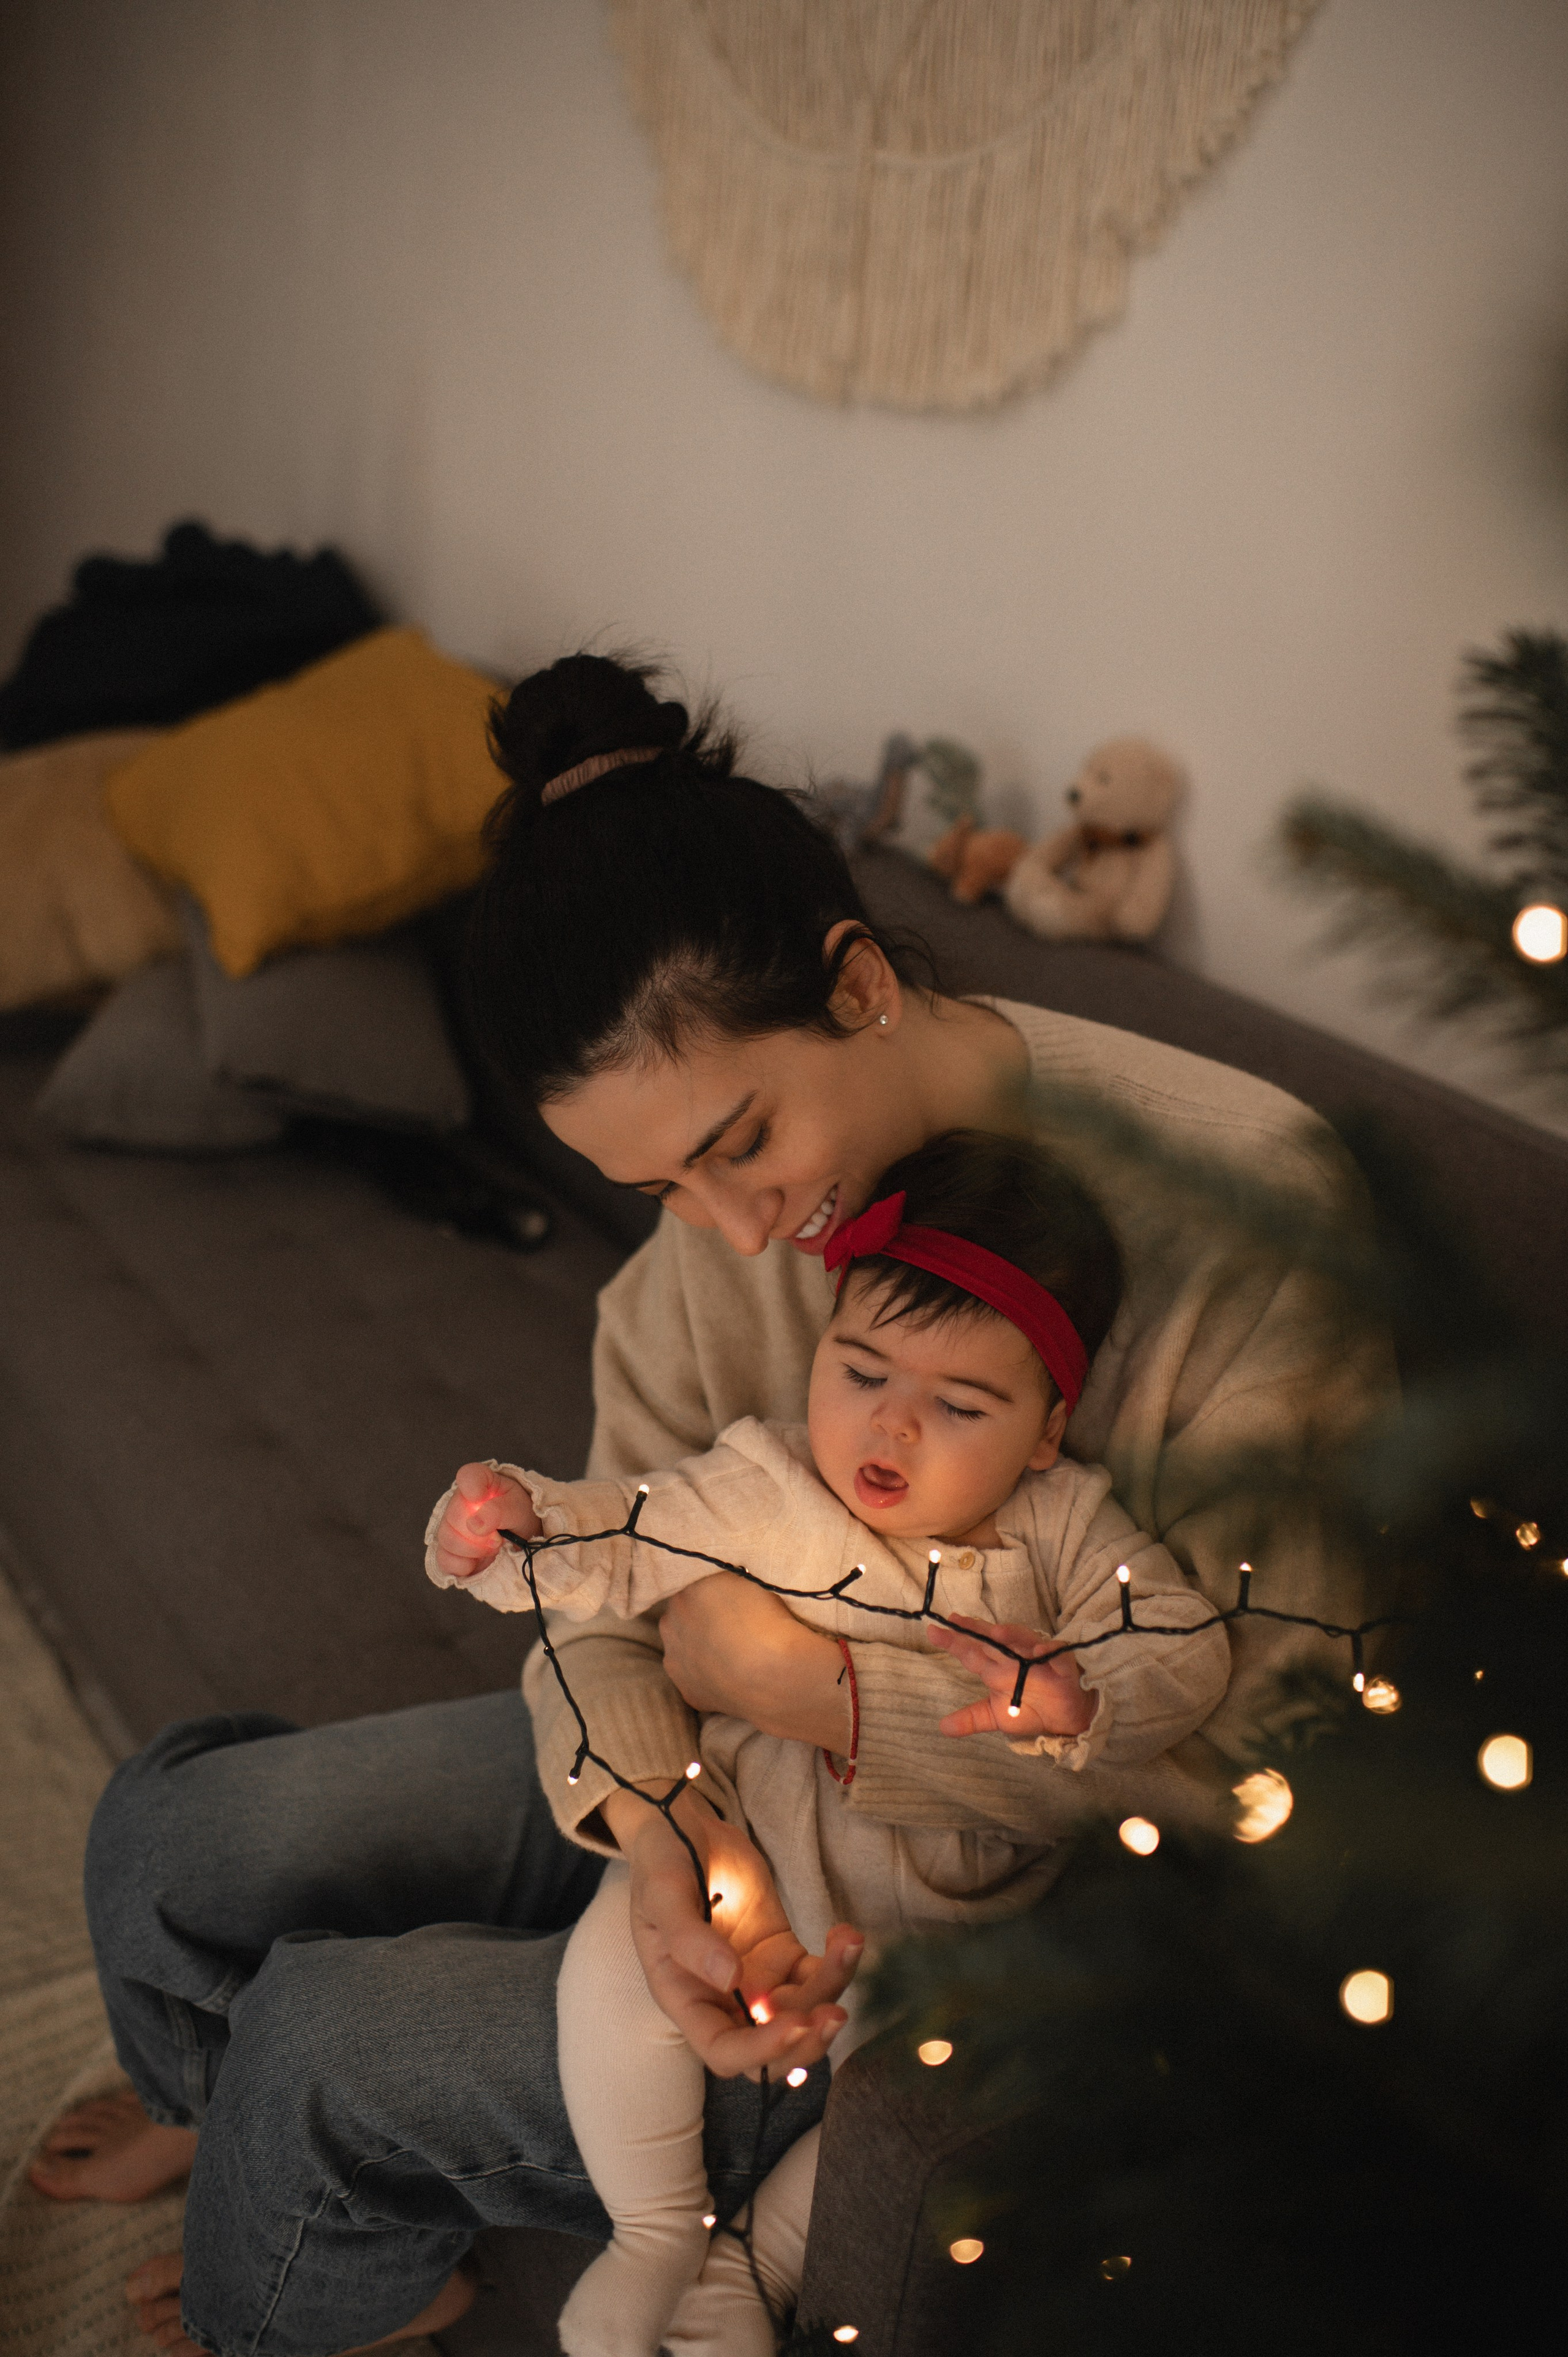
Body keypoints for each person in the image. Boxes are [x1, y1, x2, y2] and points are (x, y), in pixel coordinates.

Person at [32, 654, 1392, 2357]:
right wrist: (662, 1830)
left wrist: (820, 1693)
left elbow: (1266, 1769)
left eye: (740, 1144)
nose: (738, 1232)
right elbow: (602, 1576)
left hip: (948, 1907)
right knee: (175, 1830)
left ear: (859, 983)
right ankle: (226, 2115)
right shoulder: (722, 1228)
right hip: (726, 1778)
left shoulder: (1255, 1219)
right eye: (660, 1185)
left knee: (320, 2048)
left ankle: (318, 2260)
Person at [428, 1128, 1231, 2356]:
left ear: (1043, 1430)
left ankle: (749, 2266)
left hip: (945, 1925)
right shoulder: (770, 1481)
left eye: (958, 1405)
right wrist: (526, 1530)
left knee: (914, 2086)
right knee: (614, 1964)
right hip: (743, 1865)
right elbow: (629, 1534)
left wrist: (1084, 1694)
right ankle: (655, 2230)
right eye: (860, 1372)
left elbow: (1183, 1637)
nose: (890, 1427)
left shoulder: (1068, 1526)